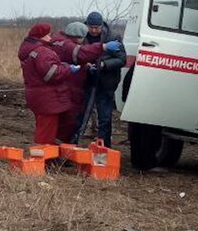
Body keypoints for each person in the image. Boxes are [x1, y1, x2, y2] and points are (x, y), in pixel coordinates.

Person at [18, 22, 80, 144]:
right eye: (48, 34)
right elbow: (51, 74)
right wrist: (68, 68)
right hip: (48, 98)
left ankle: (51, 156)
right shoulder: (42, 51)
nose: (50, 38)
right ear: (42, 36)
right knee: (46, 132)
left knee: (47, 128)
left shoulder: (28, 49)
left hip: (36, 95)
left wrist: (60, 65)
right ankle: (41, 158)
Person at [50, 22, 108, 143]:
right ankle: (62, 148)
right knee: (69, 121)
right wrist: (103, 47)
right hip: (70, 88)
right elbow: (81, 54)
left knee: (58, 120)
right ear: (78, 36)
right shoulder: (68, 45)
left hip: (60, 87)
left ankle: (57, 145)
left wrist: (84, 67)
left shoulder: (56, 41)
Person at [82, 11, 126, 147]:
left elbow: (121, 59)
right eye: (91, 27)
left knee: (105, 117)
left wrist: (104, 64)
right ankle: (74, 143)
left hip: (106, 83)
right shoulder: (82, 36)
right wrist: (85, 65)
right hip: (86, 81)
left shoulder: (113, 37)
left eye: (97, 27)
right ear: (87, 26)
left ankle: (104, 147)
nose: (94, 30)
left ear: (102, 26)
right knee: (81, 115)